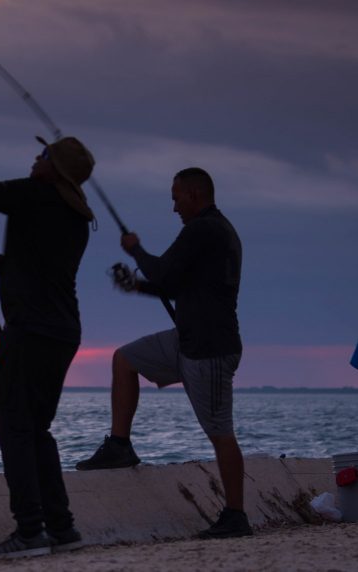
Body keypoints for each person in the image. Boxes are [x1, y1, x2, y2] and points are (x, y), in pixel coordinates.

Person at [75, 167, 252, 539]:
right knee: (125, 359)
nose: (173, 207)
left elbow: (162, 271)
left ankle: (236, 516)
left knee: (220, 433)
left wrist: (134, 248)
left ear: (193, 194)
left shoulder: (203, 229)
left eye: (176, 197)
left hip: (210, 350)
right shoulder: (211, 231)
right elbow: (173, 284)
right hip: (186, 340)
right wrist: (136, 287)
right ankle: (120, 446)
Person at [0, 135, 96, 558]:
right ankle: (62, 528)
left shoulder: (36, 195)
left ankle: (30, 531)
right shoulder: (75, 216)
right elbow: (33, 270)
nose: (37, 157)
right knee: (37, 430)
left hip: (30, 332)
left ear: (57, 169)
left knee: (16, 429)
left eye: (45, 154)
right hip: (62, 333)